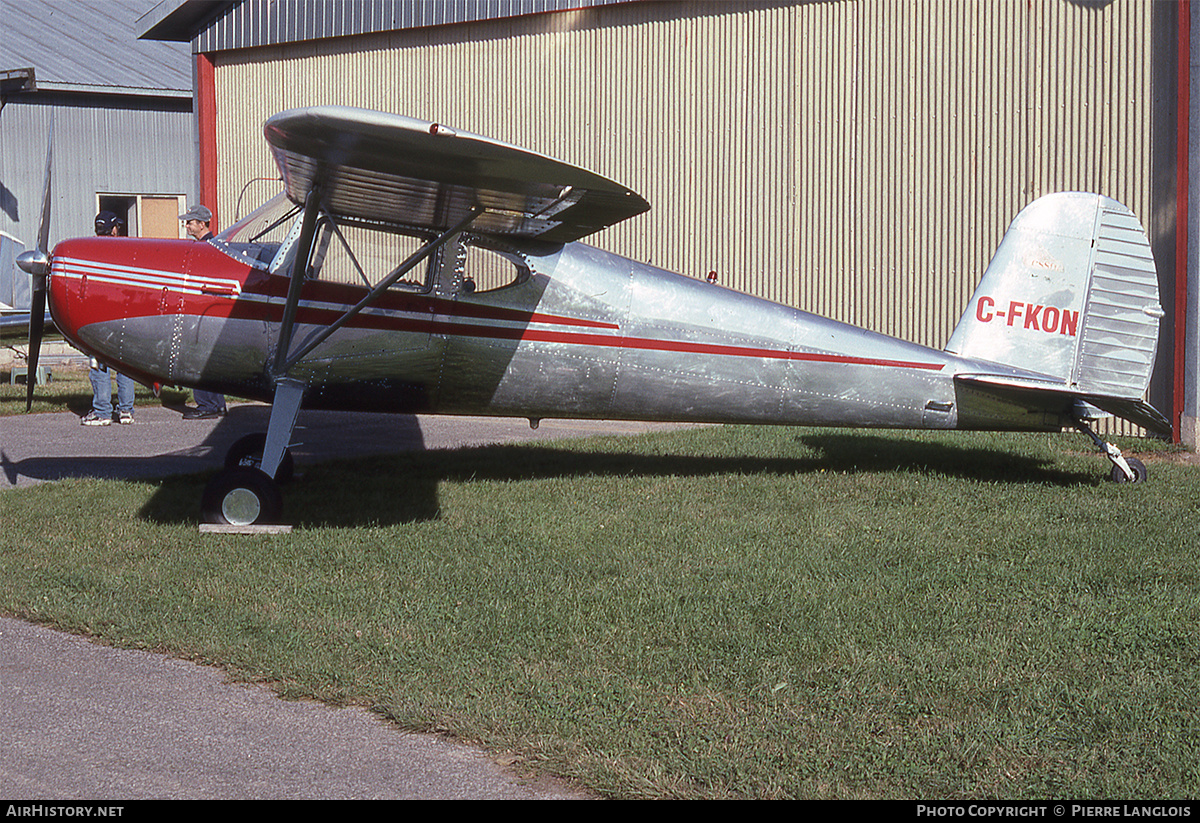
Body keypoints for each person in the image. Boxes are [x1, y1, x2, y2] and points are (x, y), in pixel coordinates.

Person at [80, 212, 136, 426]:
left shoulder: (89, 252)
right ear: (114, 229)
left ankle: (102, 411)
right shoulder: (125, 250)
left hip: (100, 319)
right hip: (124, 316)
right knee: (124, 366)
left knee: (99, 365)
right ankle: (126, 411)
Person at [178, 204, 227, 420]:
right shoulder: (211, 245)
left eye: (190, 222)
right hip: (208, 312)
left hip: (204, 312)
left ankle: (207, 404)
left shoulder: (209, 248)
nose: (186, 225)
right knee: (209, 359)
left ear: (202, 224)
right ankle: (216, 403)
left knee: (198, 357)